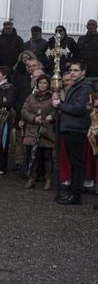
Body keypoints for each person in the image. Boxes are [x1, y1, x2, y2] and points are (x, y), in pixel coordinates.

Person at [53, 61, 91, 205]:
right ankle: (73, 193)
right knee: (74, 163)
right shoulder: (74, 87)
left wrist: (60, 105)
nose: (72, 73)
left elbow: (78, 109)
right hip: (69, 127)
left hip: (76, 128)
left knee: (77, 163)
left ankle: (76, 195)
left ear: (83, 72)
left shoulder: (84, 88)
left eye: (76, 70)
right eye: (71, 70)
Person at [21, 74, 55, 190]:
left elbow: (57, 110)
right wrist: (34, 118)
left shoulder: (52, 97)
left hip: (46, 130)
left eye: (45, 83)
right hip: (33, 130)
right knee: (34, 156)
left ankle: (49, 179)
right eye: (40, 83)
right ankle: (32, 178)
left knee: (47, 156)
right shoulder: (31, 97)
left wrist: (51, 115)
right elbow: (24, 111)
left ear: (49, 84)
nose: (42, 85)